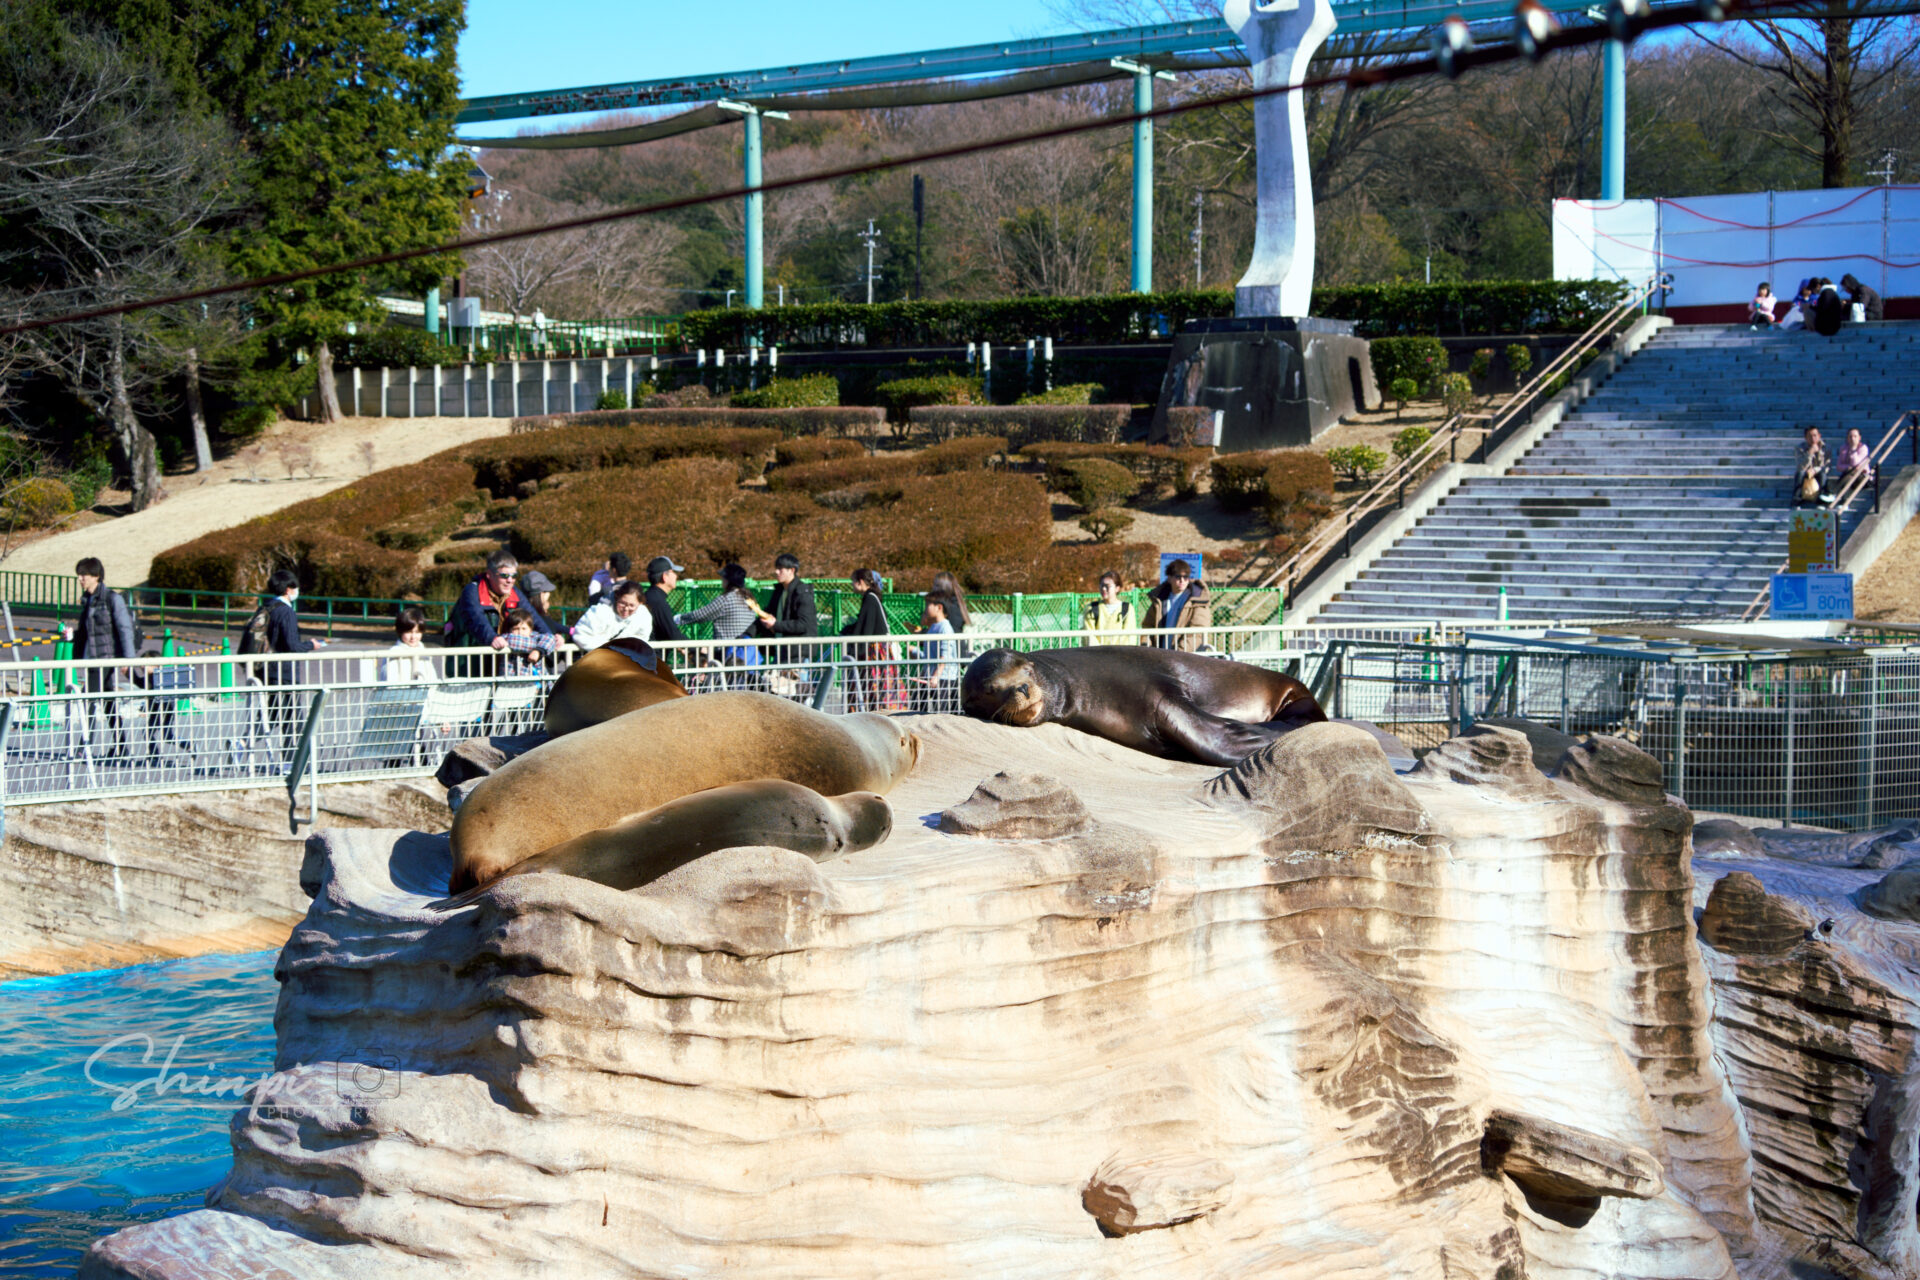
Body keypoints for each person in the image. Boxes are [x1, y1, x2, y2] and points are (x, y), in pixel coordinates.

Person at [66, 557, 137, 758]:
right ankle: (121, 746)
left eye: (84, 575)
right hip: (92, 657)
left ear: (96, 576)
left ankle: (83, 747)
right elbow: (86, 631)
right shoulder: (87, 600)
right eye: (79, 575)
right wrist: (73, 638)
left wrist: (129, 661)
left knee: (88, 699)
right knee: (107, 702)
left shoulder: (112, 599)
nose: (80, 579)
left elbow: (125, 629)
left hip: (104, 658)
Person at [261, 568, 325, 760]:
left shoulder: (267, 606)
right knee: (292, 718)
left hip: (266, 669)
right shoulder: (286, 612)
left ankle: (242, 742)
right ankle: (290, 761)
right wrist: (311, 645)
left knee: (271, 714)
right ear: (289, 589)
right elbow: (292, 645)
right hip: (285, 671)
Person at [676, 562, 772, 660]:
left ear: (728, 581)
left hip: (726, 652)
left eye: (723, 577)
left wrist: (679, 619)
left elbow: (701, 615)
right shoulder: (749, 599)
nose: (722, 579)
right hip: (746, 652)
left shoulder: (725, 600)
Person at [839, 567, 895, 711]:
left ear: (860, 582)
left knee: (873, 687)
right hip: (876, 650)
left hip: (874, 651)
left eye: (853, 582)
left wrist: (856, 648)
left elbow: (866, 628)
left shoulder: (869, 599)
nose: (852, 585)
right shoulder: (872, 598)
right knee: (877, 688)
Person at [1144, 559, 1212, 651]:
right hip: (1161, 655)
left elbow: (1197, 632)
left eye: (1186, 577)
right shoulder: (1159, 600)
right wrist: (1147, 650)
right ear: (1169, 578)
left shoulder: (1198, 600)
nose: (1182, 580)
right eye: (1178, 577)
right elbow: (1148, 627)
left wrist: (1179, 653)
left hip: (1187, 658)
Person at [910, 592, 961, 713]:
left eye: (928, 604)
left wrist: (936, 675)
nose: (925, 608)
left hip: (943, 677)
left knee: (940, 713)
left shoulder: (945, 628)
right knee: (917, 704)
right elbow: (929, 655)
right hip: (931, 675)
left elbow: (945, 654)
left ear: (939, 607)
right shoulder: (933, 627)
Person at [571, 581, 653, 650]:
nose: (626, 609)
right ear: (617, 597)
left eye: (631, 605)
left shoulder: (643, 615)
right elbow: (580, 634)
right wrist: (609, 648)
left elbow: (642, 639)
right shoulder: (601, 611)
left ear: (640, 603)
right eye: (622, 603)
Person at [493, 607, 557, 677]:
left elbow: (551, 638)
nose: (520, 632)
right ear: (510, 630)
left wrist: (538, 651)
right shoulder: (505, 637)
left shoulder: (535, 636)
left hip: (536, 681)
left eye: (524, 628)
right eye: (516, 629)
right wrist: (537, 646)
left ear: (530, 630)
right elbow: (514, 641)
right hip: (511, 683)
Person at [381, 607, 436, 683]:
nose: (413, 637)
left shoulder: (424, 654)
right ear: (400, 631)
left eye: (417, 632)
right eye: (409, 632)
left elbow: (433, 681)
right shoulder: (393, 654)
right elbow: (389, 684)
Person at [1081, 571, 1137, 644]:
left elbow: (1129, 636)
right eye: (1102, 585)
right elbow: (1088, 635)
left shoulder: (1127, 608)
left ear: (1117, 588)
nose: (1104, 589)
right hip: (1097, 654)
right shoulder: (1091, 608)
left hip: (1120, 654)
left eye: (1108, 586)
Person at [644, 555, 688, 643]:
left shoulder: (650, 596)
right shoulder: (658, 602)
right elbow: (673, 634)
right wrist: (698, 648)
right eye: (673, 572)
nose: (676, 576)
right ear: (664, 576)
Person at [1794, 426, 1834, 506]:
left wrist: (1815, 469)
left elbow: (1827, 466)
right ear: (1805, 437)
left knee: (1823, 475)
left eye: (1815, 435)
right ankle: (1796, 500)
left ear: (1819, 436)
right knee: (1800, 474)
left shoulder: (1826, 447)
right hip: (1806, 473)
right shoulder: (1800, 448)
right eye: (1810, 436)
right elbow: (1800, 466)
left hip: (1819, 472)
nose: (1813, 438)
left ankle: (1822, 500)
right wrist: (1810, 453)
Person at [518, 570, 559, 634]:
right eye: (545, 591)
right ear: (539, 595)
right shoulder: (540, 621)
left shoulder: (518, 614)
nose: (549, 594)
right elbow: (551, 629)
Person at [1835, 426, 1874, 491]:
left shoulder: (1863, 448)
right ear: (1847, 438)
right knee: (1849, 475)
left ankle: (1834, 491)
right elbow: (1838, 466)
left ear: (1859, 438)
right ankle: (1840, 497)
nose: (1852, 439)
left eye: (1855, 436)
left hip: (1863, 477)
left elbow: (1855, 464)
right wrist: (1848, 467)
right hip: (1849, 476)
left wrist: (1853, 449)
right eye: (1850, 436)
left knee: (1851, 473)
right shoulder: (1843, 448)